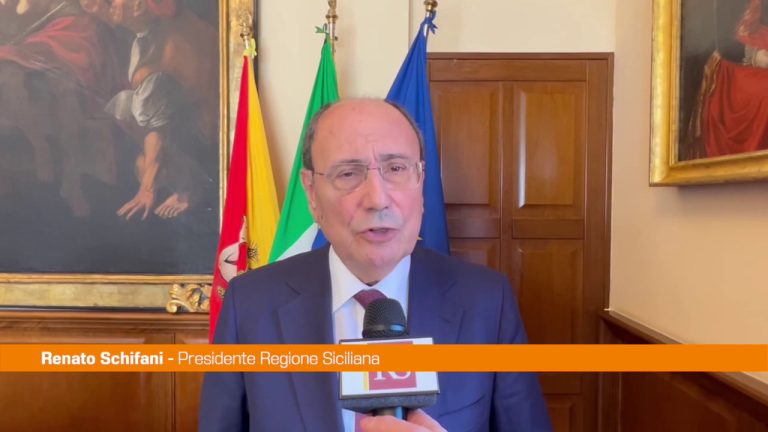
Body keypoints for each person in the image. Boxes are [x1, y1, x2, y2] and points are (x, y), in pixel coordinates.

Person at [199, 98, 552, 431]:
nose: (377, 199)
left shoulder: (487, 301)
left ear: (421, 181)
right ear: (311, 193)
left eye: (396, 168)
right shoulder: (251, 303)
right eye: (348, 174)